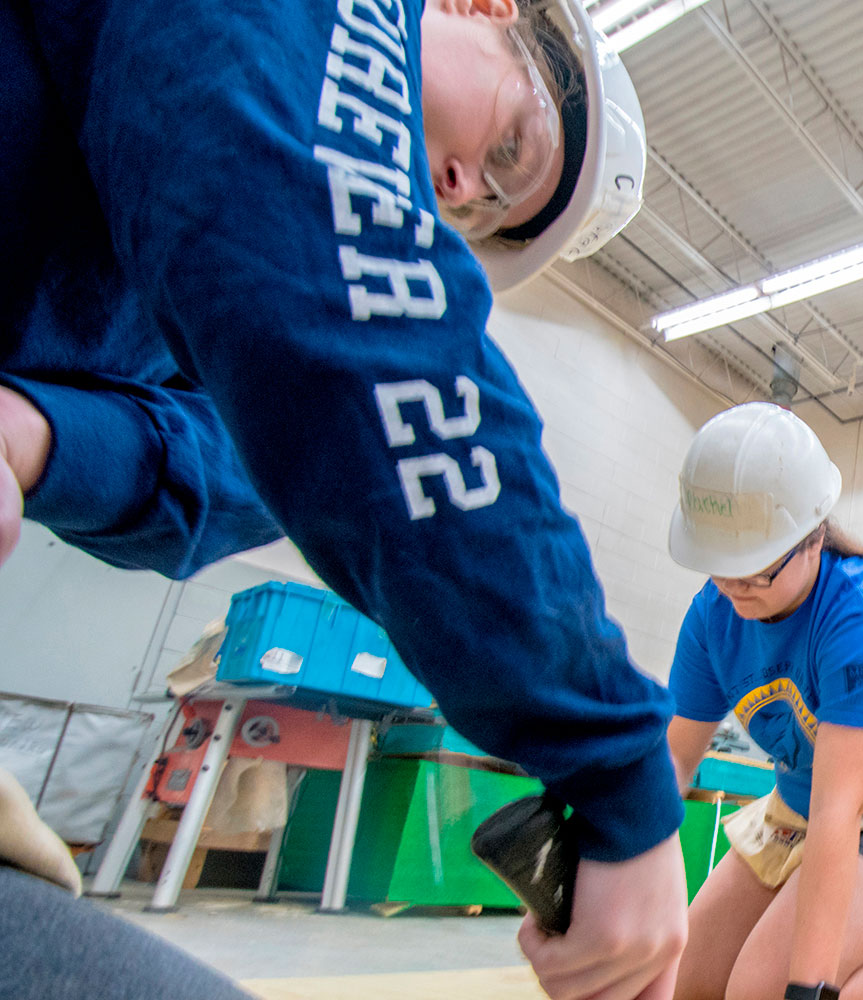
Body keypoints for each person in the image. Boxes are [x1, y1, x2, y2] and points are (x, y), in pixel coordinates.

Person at [2, 0, 686, 996]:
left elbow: (232, 464)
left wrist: (35, 434)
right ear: (480, 7)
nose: (461, 187)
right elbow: (371, 354)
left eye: (488, 206)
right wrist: (619, 768)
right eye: (510, 143)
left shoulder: (186, 215)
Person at [660, 403, 863, 1000]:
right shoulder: (712, 618)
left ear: (813, 536)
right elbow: (672, 767)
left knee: (760, 993)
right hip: (797, 810)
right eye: (720, 567)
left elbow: (840, 815)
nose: (735, 588)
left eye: (757, 569)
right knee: (688, 985)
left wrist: (807, 988)